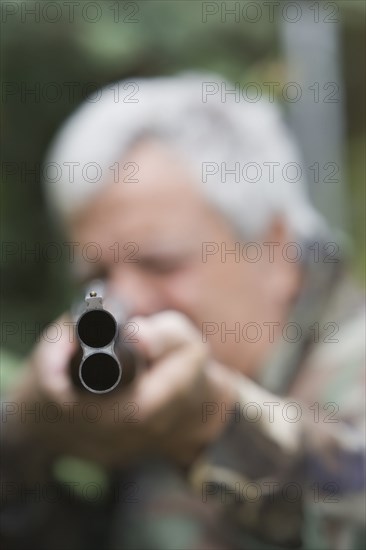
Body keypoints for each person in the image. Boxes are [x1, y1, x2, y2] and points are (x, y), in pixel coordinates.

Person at [1, 73, 365, 550]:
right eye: (95, 276)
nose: (126, 301)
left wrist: (216, 425)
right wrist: (22, 433)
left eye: (160, 263)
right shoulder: (139, 388)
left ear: (274, 250)